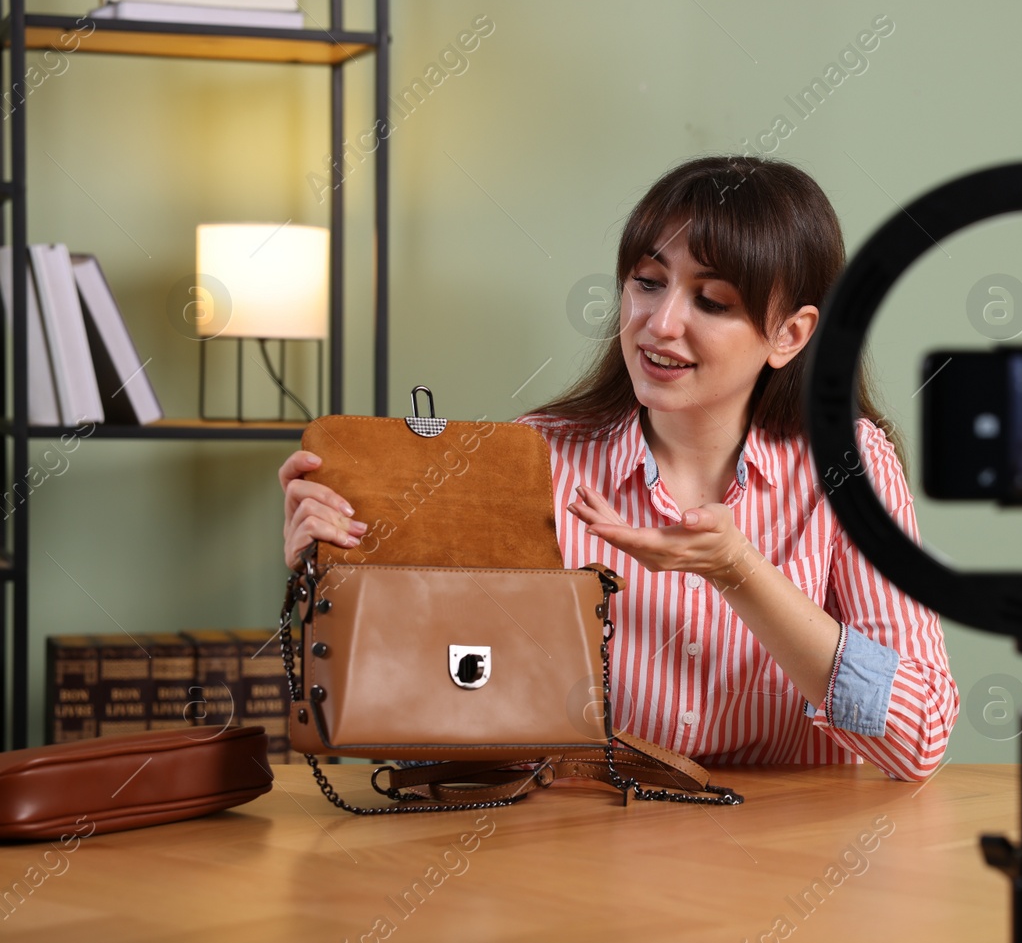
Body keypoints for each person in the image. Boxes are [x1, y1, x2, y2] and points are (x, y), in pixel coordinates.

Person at [279, 156, 958, 782]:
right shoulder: (535, 458)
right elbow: (432, 711)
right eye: (648, 282)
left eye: (711, 301)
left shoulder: (847, 466)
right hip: (578, 853)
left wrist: (738, 571)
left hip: (789, 860)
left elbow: (918, 739)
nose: (660, 323)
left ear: (790, 334)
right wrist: (335, 588)